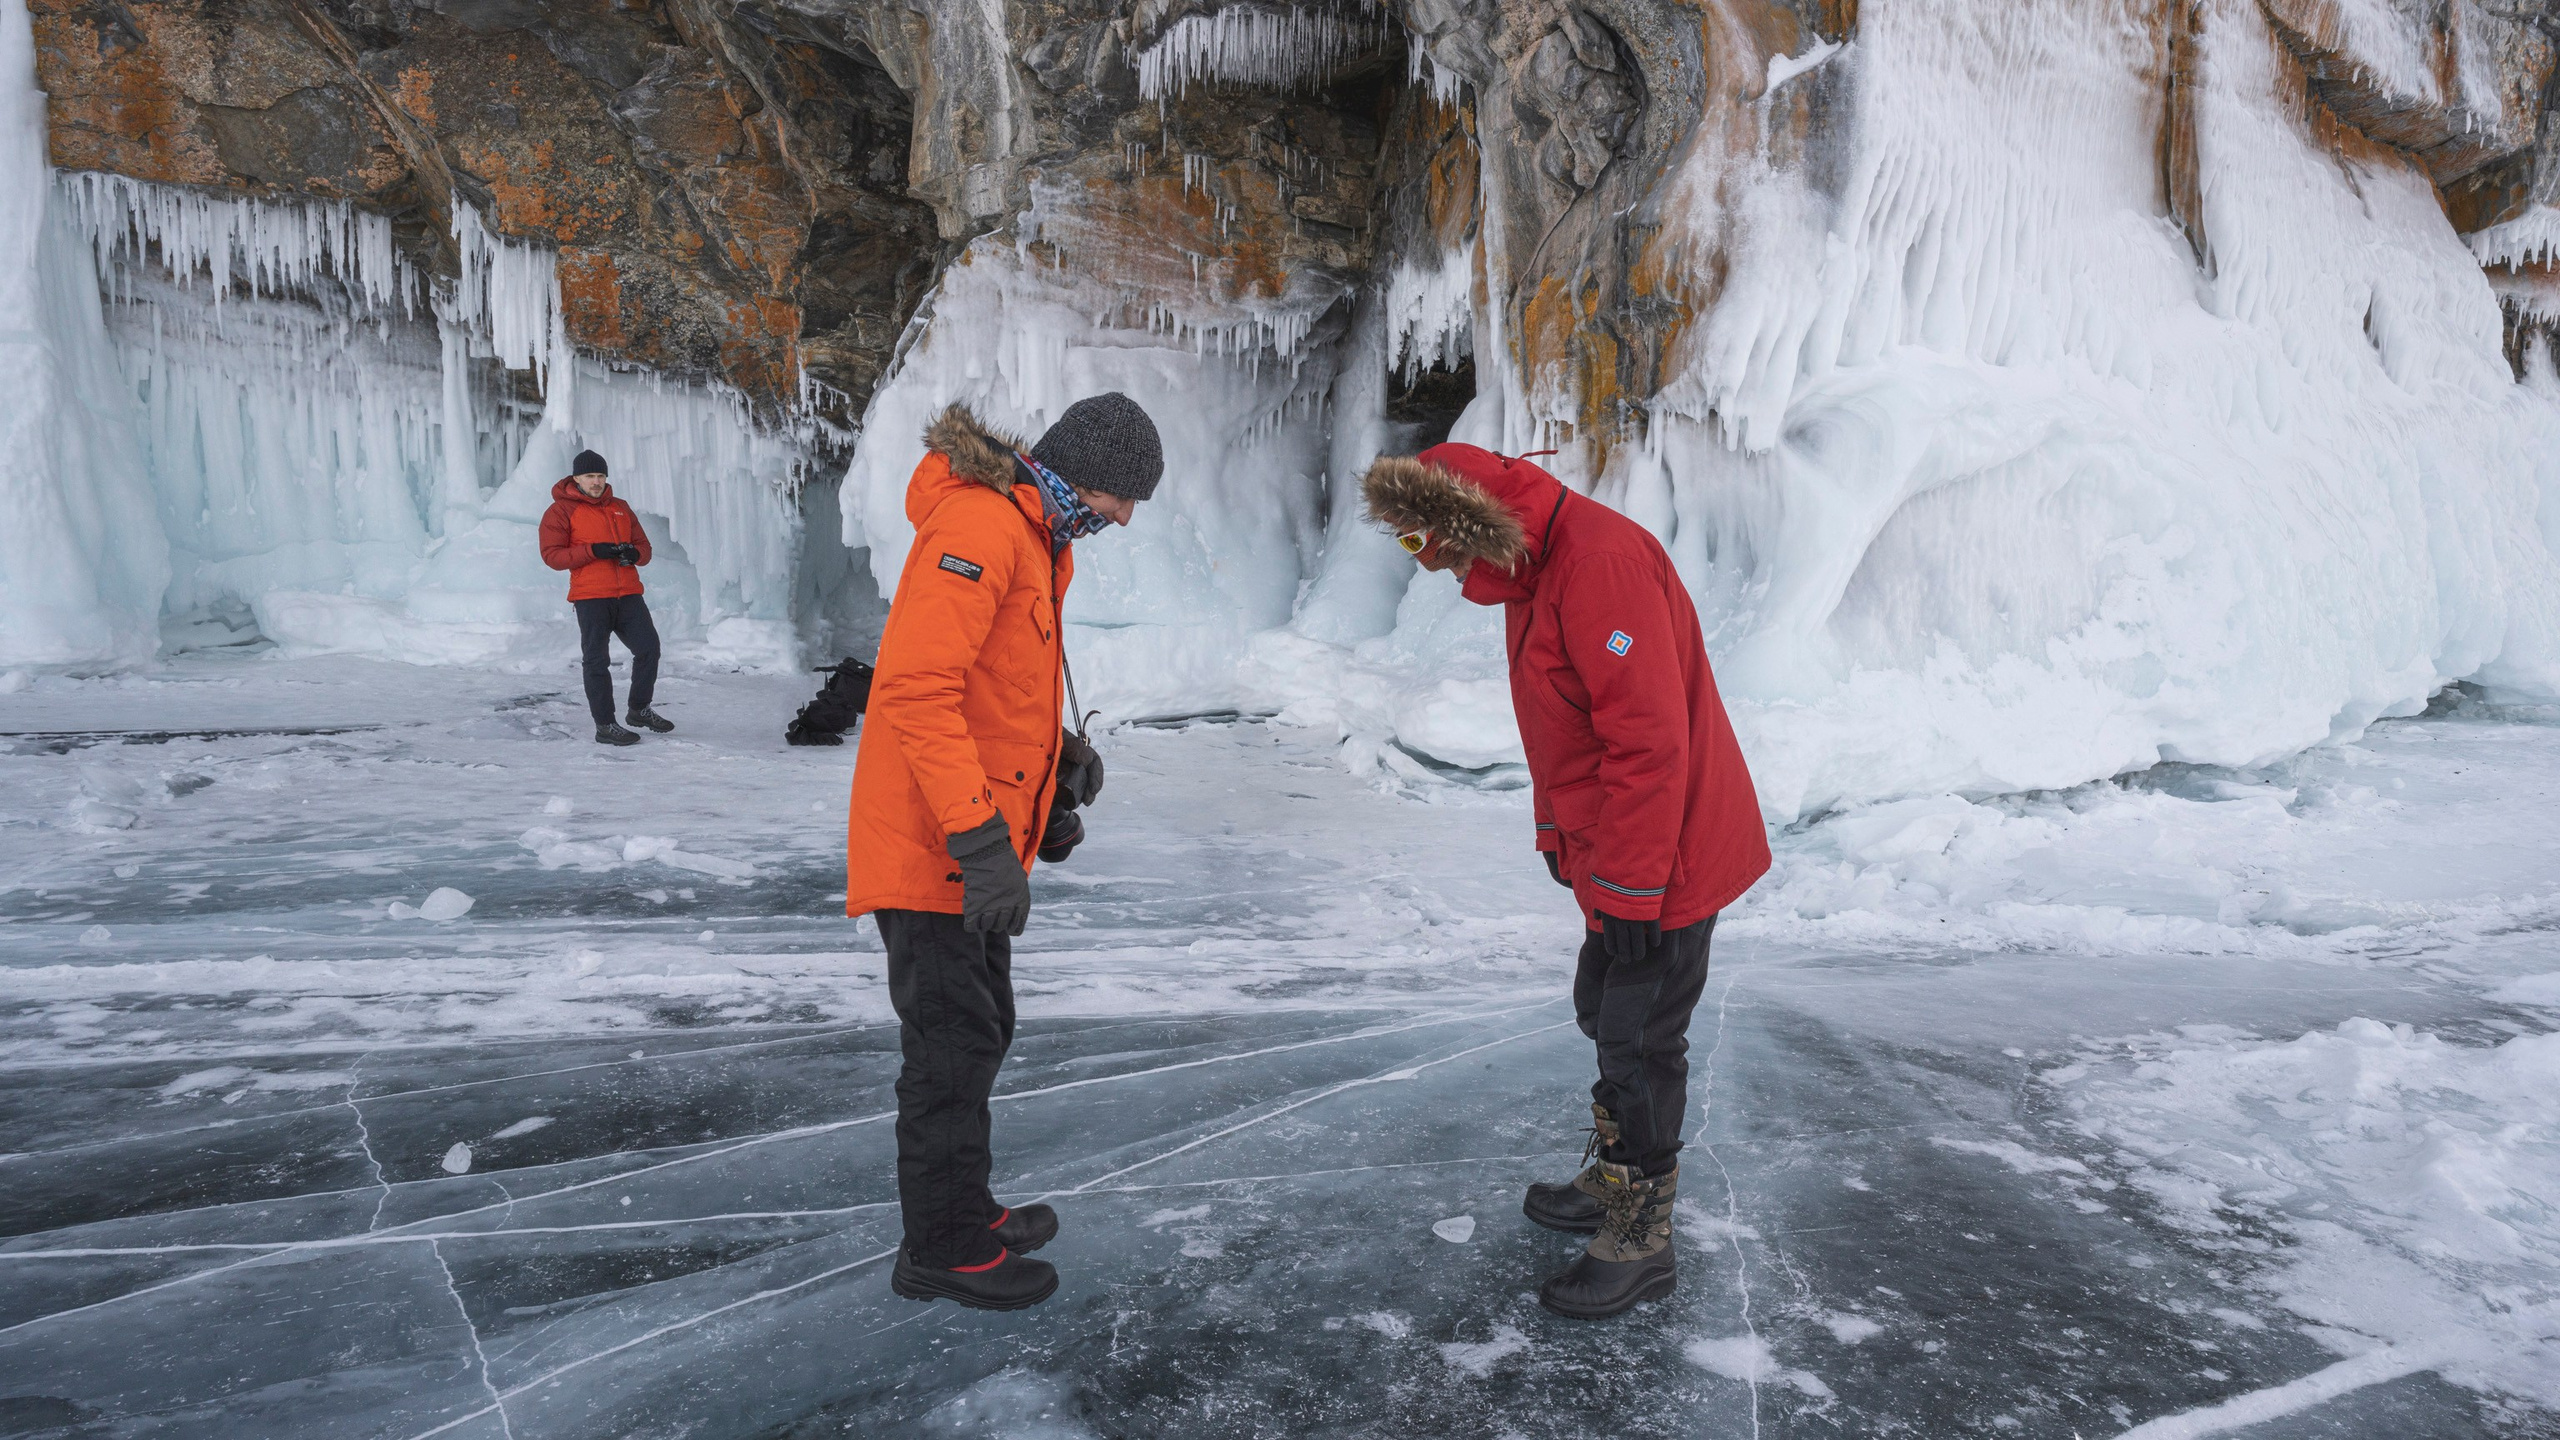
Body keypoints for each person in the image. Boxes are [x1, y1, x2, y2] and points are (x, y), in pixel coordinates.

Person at [1362, 443, 1770, 1320]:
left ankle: (1641, 1234)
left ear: (1459, 525)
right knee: (1603, 1009)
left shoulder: (1598, 565)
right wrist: (1557, 833)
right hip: (1622, 849)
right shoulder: (1529, 566)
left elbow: (1649, 743)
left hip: (1668, 857)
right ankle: (1616, 1171)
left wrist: (1626, 886)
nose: (1428, 567)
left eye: (1419, 545)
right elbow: (1563, 729)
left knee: (1641, 1035)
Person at [846, 394, 1159, 1311]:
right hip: (930, 844)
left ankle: (964, 1208)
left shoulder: (1037, 536)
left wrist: (1051, 776)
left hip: (968, 840)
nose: (1126, 518)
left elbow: (997, 693)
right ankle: (941, 1249)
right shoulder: (984, 525)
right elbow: (918, 692)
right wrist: (983, 839)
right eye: (1126, 496)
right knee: (950, 1047)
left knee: (979, 1034)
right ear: (1085, 470)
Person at [537, 449, 673, 746]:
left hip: (628, 594)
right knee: (596, 660)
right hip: (590, 597)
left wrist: (633, 553)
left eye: (600, 476)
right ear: (576, 479)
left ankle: (639, 709)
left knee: (649, 649)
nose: (596, 482)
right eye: (590, 476)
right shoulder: (560, 511)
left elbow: (645, 549)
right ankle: (605, 725)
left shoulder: (620, 507)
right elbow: (552, 556)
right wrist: (592, 551)